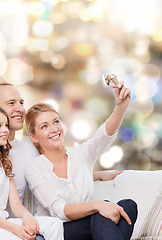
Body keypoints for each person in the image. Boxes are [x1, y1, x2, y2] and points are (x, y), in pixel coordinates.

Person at [0, 83, 122, 240]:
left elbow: (54, 171)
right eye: (11, 103)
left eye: (21, 102)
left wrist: (95, 174)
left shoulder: (30, 150)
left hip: (10, 227)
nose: (20, 109)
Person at [25, 81, 138, 240]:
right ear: (34, 137)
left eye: (56, 121)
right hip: (61, 231)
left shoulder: (81, 155)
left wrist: (121, 107)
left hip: (91, 225)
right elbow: (60, 210)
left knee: (128, 205)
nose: (54, 129)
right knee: (102, 211)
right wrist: (97, 205)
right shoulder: (34, 168)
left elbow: (104, 136)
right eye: (44, 126)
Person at [0, 104, 63, 240]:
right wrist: (15, 229)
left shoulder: (4, 162)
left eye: (6, 125)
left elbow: (16, 205)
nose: (5, 130)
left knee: (54, 224)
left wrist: (27, 217)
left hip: (3, 221)